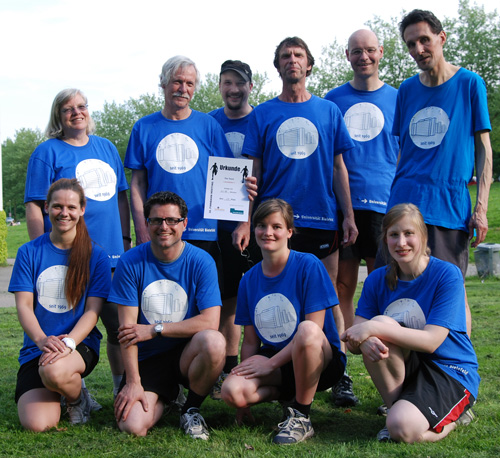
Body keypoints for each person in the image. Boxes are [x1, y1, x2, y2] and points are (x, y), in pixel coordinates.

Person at [236, 36, 358, 407]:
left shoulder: (329, 111)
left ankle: (338, 372)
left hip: (321, 218)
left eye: (299, 55)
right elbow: (253, 173)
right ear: (278, 66)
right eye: (285, 56)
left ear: (309, 64)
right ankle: (281, 371)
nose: (292, 60)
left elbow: (339, 167)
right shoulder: (262, 114)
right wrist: (246, 221)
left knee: (329, 296)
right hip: (273, 225)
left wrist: (348, 215)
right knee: (275, 296)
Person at [385, 10, 493, 334]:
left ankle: (460, 364)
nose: (418, 49)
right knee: (401, 294)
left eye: (424, 40)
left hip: (448, 206)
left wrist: (481, 208)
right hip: (404, 204)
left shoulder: (469, 84)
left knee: (452, 295)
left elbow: (484, 149)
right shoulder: (406, 90)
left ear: (441, 38)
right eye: (410, 44)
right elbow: (404, 151)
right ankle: (409, 364)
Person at [24, 88, 131, 397]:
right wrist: (42, 251)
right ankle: (75, 389)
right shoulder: (47, 152)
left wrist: (125, 239)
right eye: (68, 109)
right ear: (58, 116)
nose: (76, 113)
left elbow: (120, 198)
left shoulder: (106, 147)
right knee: (66, 324)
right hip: (65, 256)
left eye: (81, 106)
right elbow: (34, 204)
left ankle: (120, 387)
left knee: (118, 326)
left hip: (110, 256)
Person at [342, 203, 479, 443]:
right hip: (410, 365)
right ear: (385, 239)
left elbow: (431, 341)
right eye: (394, 235)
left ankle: (452, 418)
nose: (401, 242)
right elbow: (355, 338)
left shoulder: (446, 274)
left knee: (402, 429)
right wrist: (365, 340)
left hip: (449, 369)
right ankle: (395, 408)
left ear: (423, 237)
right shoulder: (376, 279)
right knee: (377, 331)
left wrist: (373, 328)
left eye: (409, 233)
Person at [222, 199, 346, 445]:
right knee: (231, 392)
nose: (268, 232)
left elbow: (315, 330)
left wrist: (270, 365)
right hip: (278, 360)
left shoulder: (308, 265)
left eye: (276, 226)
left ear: (289, 232)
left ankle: (301, 416)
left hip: (319, 359)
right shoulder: (249, 280)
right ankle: (289, 396)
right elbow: (250, 341)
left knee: (306, 330)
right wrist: (245, 388)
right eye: (261, 225)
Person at [108, 191, 226, 439]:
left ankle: (191, 409)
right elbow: (127, 332)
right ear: (146, 223)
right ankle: (167, 395)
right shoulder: (130, 262)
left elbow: (211, 321)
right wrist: (133, 382)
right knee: (133, 426)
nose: (164, 226)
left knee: (214, 342)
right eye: (156, 220)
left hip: (187, 354)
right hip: (148, 358)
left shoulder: (202, 261)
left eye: (172, 220)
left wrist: (155, 329)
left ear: (184, 223)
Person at [324, 29, 399, 406]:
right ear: (347, 55)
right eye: (357, 51)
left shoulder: (399, 98)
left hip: (386, 207)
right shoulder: (333, 100)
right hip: (343, 207)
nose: (364, 57)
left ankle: (391, 374)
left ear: (380, 52)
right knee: (342, 288)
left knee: (387, 290)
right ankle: (343, 374)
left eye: (370, 50)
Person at [9, 178, 111, 431]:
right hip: (39, 347)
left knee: (54, 371)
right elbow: (24, 306)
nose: (64, 213)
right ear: (46, 207)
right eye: (57, 206)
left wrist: (69, 343)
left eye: (71, 207)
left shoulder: (96, 255)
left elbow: (93, 311)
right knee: (38, 424)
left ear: (82, 209)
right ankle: (65, 390)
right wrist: (42, 340)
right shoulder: (28, 252)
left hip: (79, 343)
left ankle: (77, 400)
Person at [124, 55, 232, 276]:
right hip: (160, 230)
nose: (183, 89)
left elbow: (227, 176)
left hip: (202, 231)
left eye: (189, 83)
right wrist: (142, 228)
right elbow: (138, 184)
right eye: (177, 81)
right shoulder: (143, 128)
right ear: (163, 83)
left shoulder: (209, 126)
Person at [208, 60, 262, 397]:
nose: (233, 89)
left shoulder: (262, 118)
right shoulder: (209, 121)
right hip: (219, 225)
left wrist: (249, 218)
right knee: (226, 300)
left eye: (240, 83)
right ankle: (227, 367)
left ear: (250, 87)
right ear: (220, 86)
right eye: (227, 82)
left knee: (257, 298)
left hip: (257, 223)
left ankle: (262, 365)